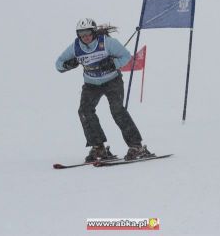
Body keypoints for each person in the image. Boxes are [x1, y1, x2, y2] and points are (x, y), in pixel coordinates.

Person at [56, 18, 152, 162]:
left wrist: (113, 63)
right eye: (81, 34)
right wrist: (68, 64)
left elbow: (126, 56)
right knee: (84, 111)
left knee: (117, 110)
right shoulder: (75, 48)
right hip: (91, 84)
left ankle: (136, 146)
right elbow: (58, 64)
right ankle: (98, 147)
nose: (85, 37)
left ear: (94, 32)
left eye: (88, 33)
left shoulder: (107, 43)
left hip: (112, 81)